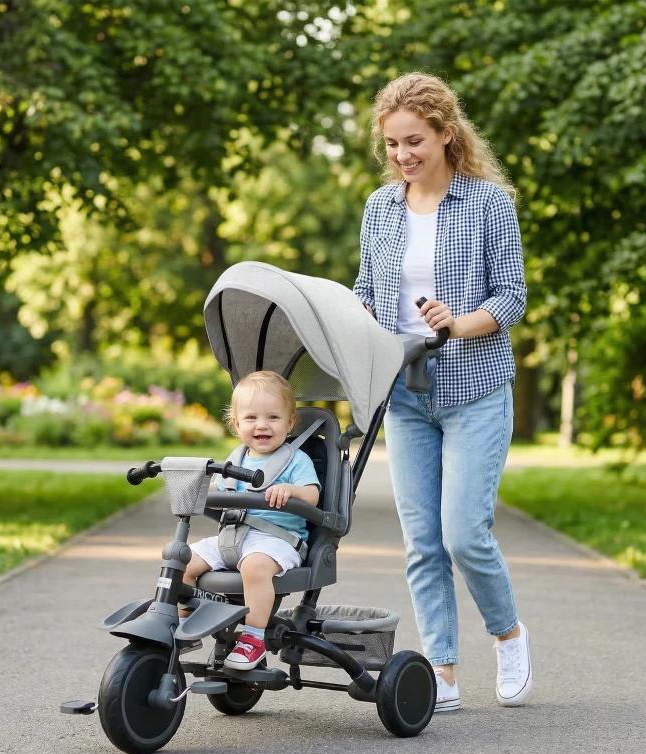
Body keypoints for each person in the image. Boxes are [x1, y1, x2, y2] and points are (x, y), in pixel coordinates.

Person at [353, 73, 532, 711]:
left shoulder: (487, 203)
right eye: (394, 145)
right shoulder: (381, 208)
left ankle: (508, 634)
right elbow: (367, 292)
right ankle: (443, 672)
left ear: (445, 134)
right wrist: (361, 333)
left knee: (463, 533)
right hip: (404, 394)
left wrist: (458, 322)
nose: (404, 155)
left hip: (475, 387)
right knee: (422, 542)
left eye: (415, 141)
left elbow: (511, 296)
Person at [179, 371, 320, 670]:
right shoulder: (234, 460)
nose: (262, 425)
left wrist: (291, 490)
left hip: (277, 540)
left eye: (273, 417)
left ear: (290, 423)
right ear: (237, 424)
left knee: (255, 566)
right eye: (252, 418)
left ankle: (253, 639)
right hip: (233, 536)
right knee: (182, 559)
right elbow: (222, 493)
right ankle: (184, 623)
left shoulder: (296, 460)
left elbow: (312, 496)